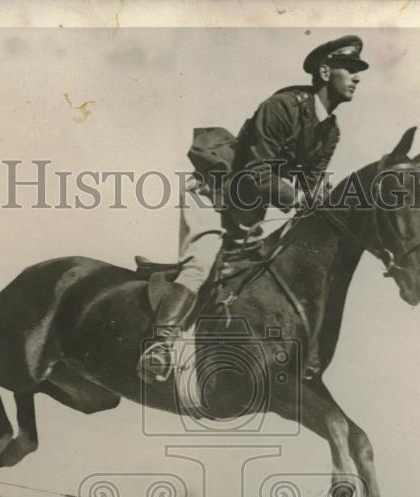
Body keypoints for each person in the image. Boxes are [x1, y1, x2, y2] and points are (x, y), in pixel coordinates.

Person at [137, 35, 369, 383]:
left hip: (248, 211)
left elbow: (310, 183)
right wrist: (302, 198)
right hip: (214, 195)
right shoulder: (282, 106)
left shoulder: (330, 131)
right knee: (201, 264)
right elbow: (255, 173)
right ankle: (160, 347)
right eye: (349, 69)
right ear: (324, 71)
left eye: (357, 71)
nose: (356, 77)